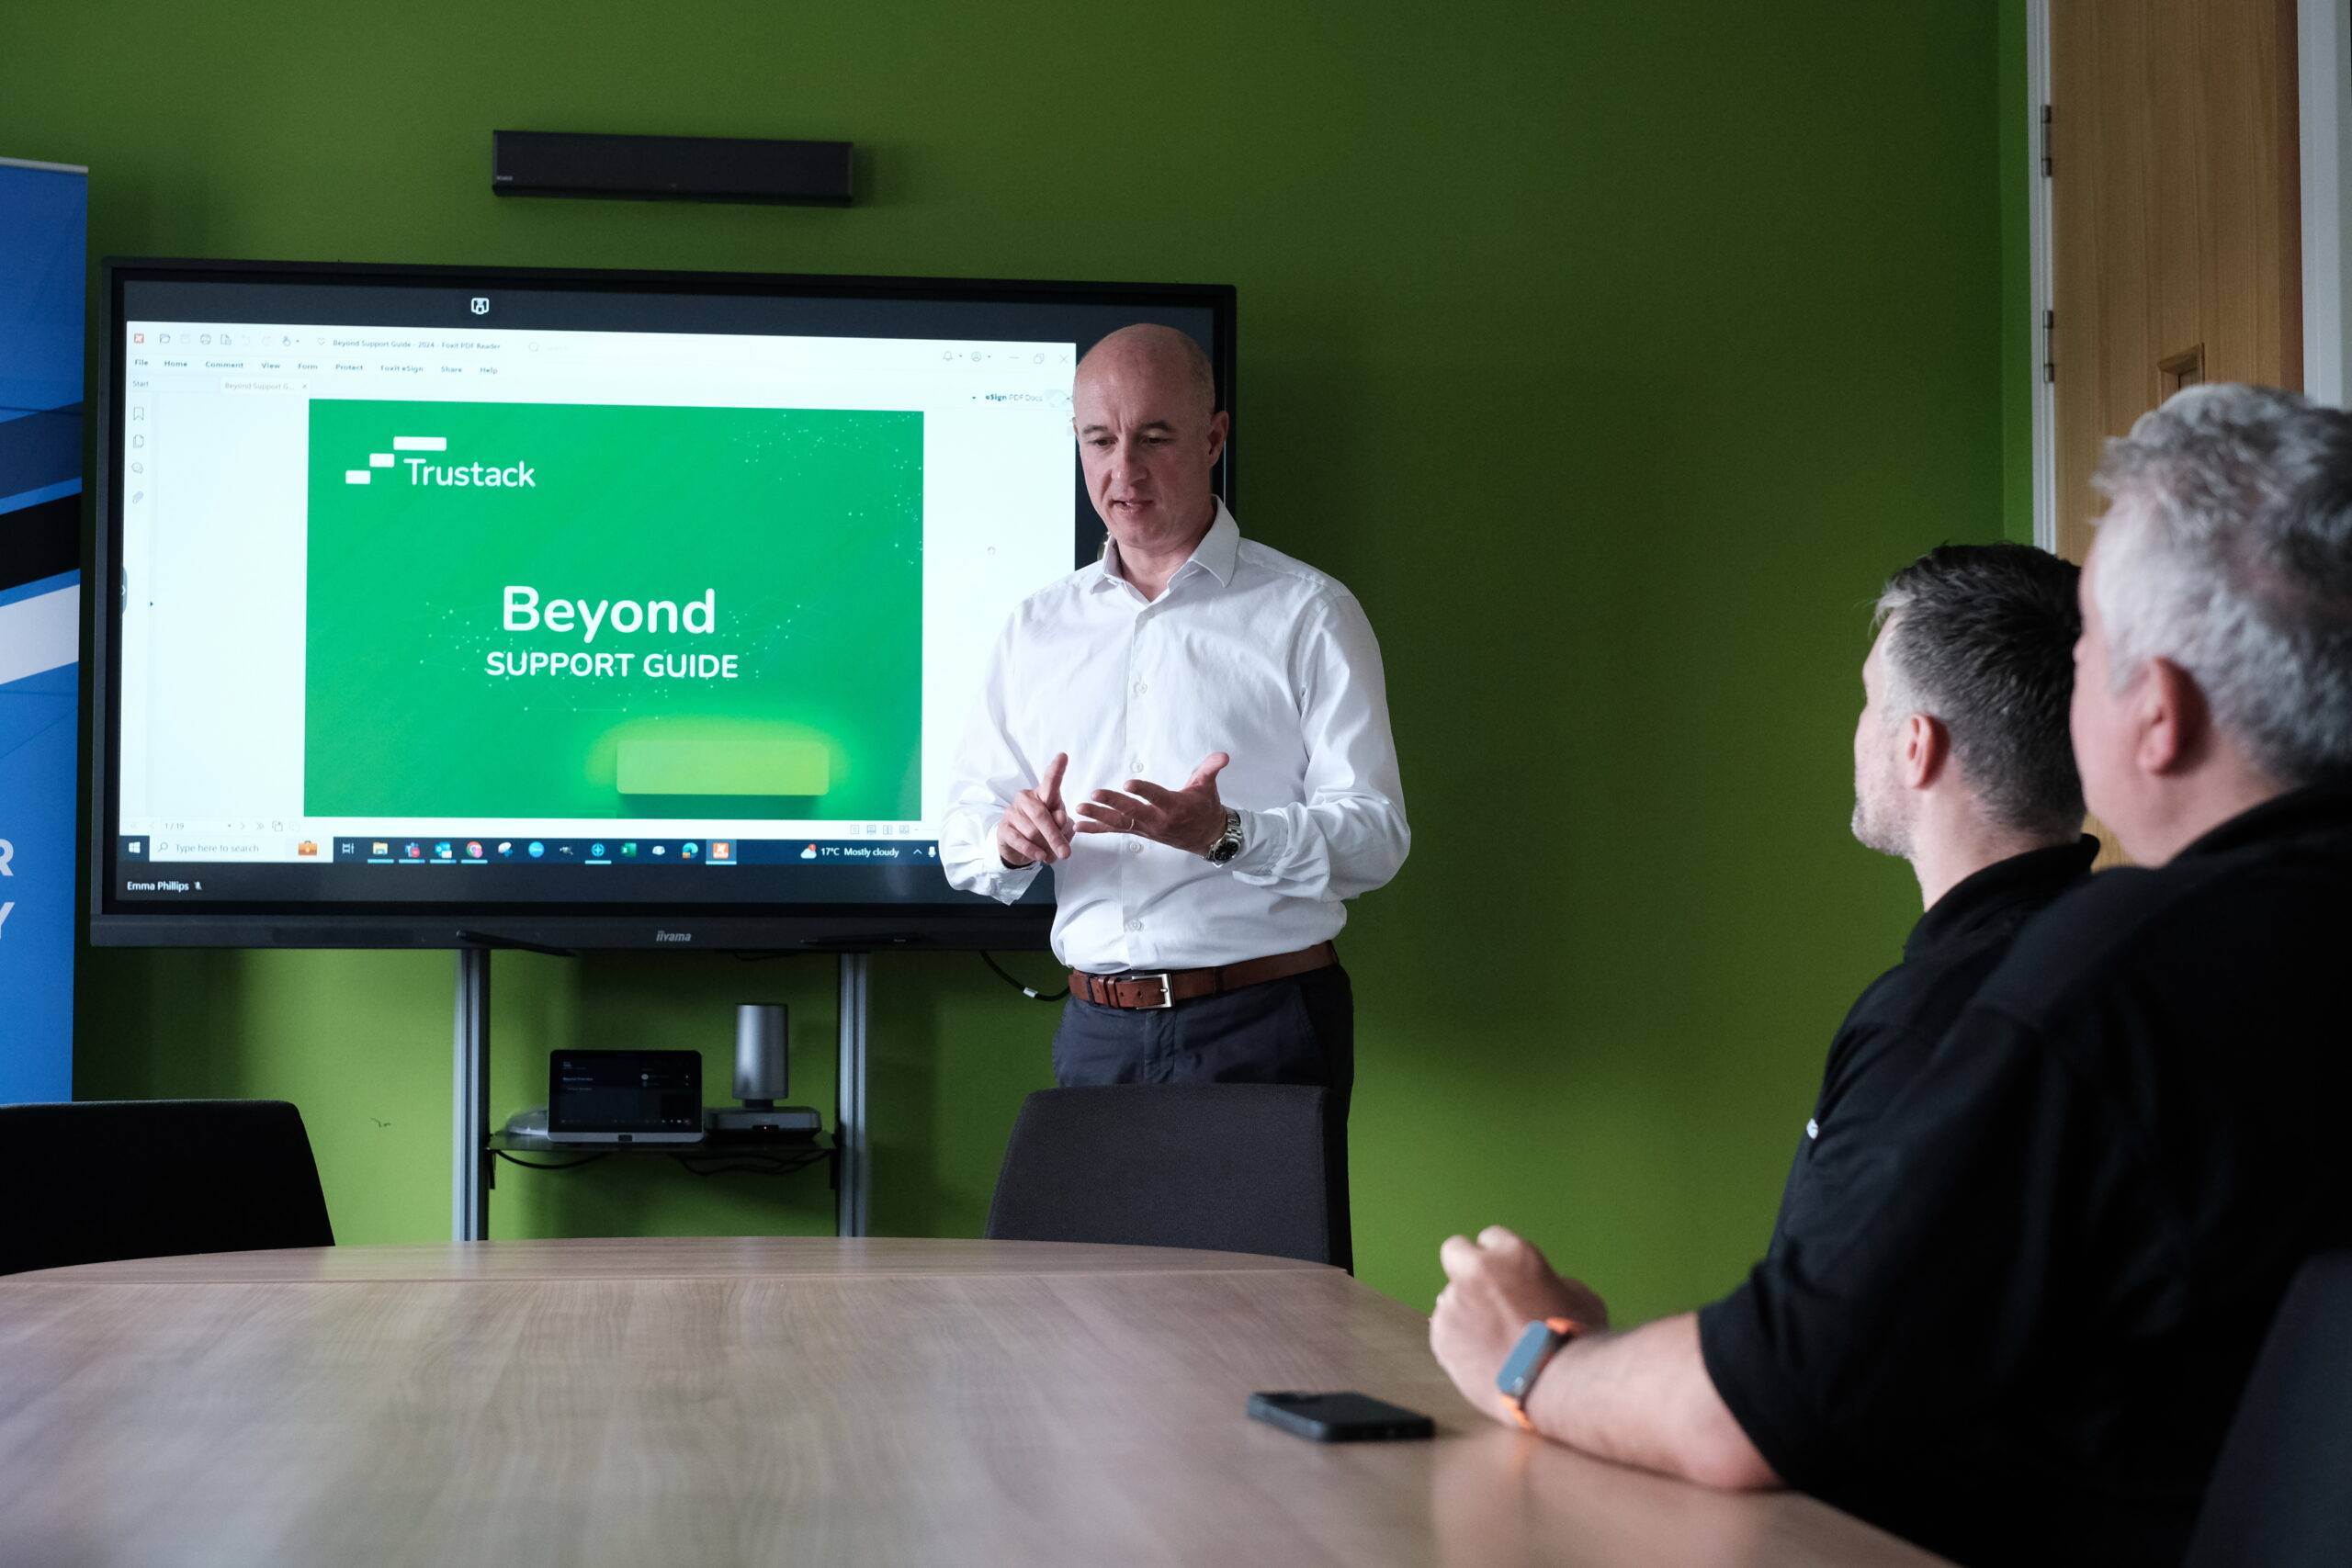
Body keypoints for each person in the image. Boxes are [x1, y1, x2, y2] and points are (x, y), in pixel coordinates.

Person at [1430, 384, 2352, 1566]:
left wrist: (1532, 1358)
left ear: (2156, 714)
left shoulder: (2113, 981)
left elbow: (1769, 1406)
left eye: (2086, 655)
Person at [938, 324, 1408, 1264]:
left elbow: (1376, 837)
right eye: (1099, 439)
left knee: (1266, 1324)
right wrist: (1009, 836)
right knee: (1076, 1326)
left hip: (1261, 1023)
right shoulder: (1035, 629)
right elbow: (962, 834)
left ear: (1214, 437)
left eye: (1154, 436)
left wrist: (1227, 834)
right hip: (1094, 1033)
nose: (1124, 470)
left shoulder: (1308, 612)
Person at [1772, 541, 2095, 1261]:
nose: (1859, 729)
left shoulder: (1923, 1031)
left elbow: (1816, 1332)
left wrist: (1548, 1331)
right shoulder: (2125, 960)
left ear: (1916, 745)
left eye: (1870, 699)